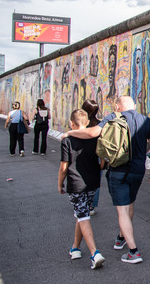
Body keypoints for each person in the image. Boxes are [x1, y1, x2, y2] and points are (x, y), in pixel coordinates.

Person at [63, 95, 150, 264]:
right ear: (134, 105)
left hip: (118, 170)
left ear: (117, 106)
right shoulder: (146, 121)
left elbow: (93, 132)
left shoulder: (114, 117)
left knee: (122, 210)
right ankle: (121, 237)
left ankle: (133, 251)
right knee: (129, 204)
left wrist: (71, 132)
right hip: (138, 170)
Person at [58, 109, 105, 269]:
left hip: (76, 183)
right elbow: (102, 161)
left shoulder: (67, 140)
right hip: (92, 182)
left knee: (83, 216)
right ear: (86, 123)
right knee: (81, 213)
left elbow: (64, 167)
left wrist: (60, 183)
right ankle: (75, 248)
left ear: (72, 123)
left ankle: (94, 253)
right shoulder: (94, 138)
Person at [81, 99, 101, 215]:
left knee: (81, 178)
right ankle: (91, 206)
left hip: (82, 155)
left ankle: (83, 202)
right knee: (95, 181)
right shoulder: (99, 124)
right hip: (96, 155)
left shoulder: (81, 125)